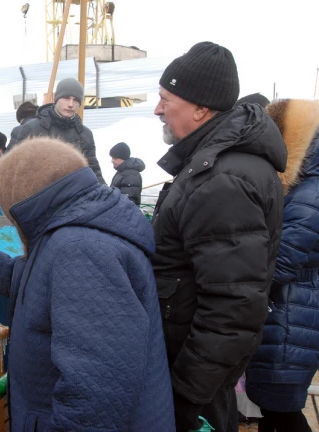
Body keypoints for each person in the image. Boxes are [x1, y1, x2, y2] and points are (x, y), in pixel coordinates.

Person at [0, 137, 175, 431]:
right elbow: (32, 283)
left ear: (26, 203)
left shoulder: (81, 250)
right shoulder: (75, 233)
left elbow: (95, 395)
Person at [151, 42, 287, 432]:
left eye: (165, 98)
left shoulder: (222, 180)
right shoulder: (216, 166)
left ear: (200, 107)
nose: (158, 109)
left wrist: (186, 396)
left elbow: (232, 306)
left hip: (196, 381)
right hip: (199, 372)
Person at [245, 99, 319, 432]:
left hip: (292, 315)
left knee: (281, 411)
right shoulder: (306, 185)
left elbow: (285, 259)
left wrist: (238, 283)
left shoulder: (310, 191)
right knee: (274, 410)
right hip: (291, 314)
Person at [10, 78, 105, 183]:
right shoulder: (32, 129)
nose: (70, 104)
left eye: (76, 100)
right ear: (56, 98)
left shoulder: (84, 134)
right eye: (66, 98)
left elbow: (93, 170)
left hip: (75, 196)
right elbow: (17, 170)